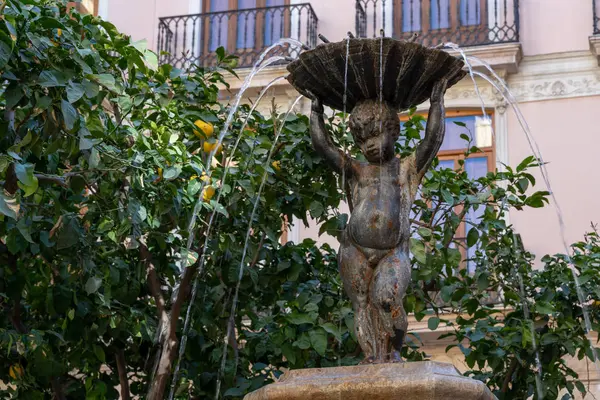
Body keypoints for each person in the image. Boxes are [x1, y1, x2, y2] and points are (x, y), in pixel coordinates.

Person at [307, 78, 448, 363]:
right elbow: (324, 147)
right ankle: (372, 359)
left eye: (375, 134)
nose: (368, 145)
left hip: (393, 252)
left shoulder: (407, 168)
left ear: (393, 131)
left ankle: (393, 353)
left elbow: (432, 140)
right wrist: (316, 113)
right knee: (361, 305)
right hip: (354, 249)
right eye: (362, 139)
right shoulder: (357, 170)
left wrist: (436, 103)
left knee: (386, 298)